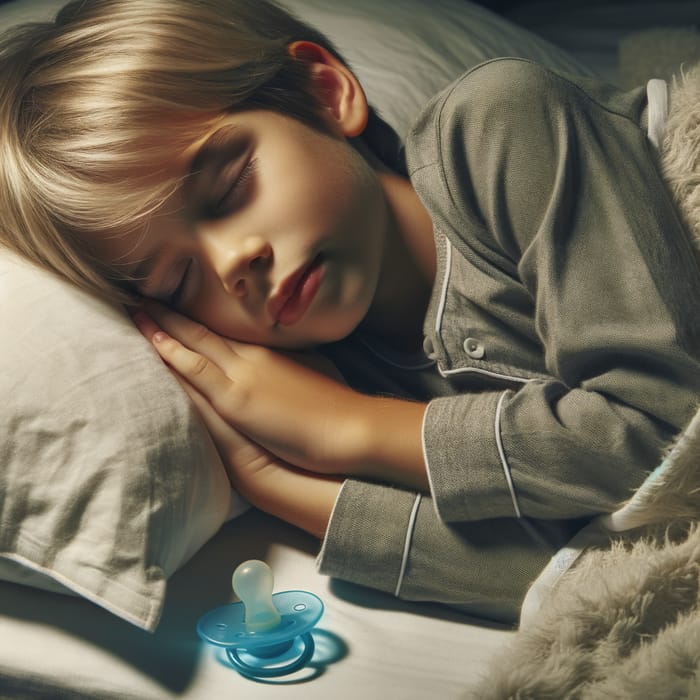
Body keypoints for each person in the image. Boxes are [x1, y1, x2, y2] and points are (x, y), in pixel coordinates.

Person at [2, 0, 700, 624]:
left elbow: (665, 431)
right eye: (180, 280)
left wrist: (350, 429)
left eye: (229, 188)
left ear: (324, 91)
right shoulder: (337, 372)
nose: (231, 263)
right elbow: (594, 574)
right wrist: (275, 483)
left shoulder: (497, 121)